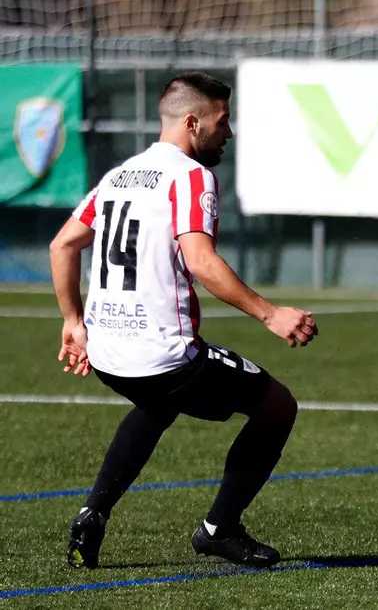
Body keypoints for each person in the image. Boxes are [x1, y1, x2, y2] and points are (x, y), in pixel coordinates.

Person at [50, 72, 317, 569]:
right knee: (277, 406)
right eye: (223, 121)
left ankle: (93, 513)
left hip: (106, 353)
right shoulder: (191, 176)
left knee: (158, 403)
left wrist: (72, 321)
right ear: (193, 123)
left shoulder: (119, 175)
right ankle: (220, 529)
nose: (228, 132)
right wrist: (270, 313)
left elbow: (63, 243)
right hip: (164, 355)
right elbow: (201, 261)